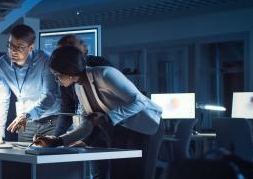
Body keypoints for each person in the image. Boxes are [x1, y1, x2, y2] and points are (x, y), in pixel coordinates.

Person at [34, 46, 165, 179]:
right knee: (118, 174)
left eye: (58, 75)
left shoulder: (106, 74)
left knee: (139, 174)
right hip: (122, 130)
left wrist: (108, 117)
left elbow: (140, 101)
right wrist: (57, 141)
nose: (57, 80)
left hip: (147, 126)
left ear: (70, 72)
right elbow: (86, 125)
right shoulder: (79, 87)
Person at [0, 24, 60, 144]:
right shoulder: (2, 64)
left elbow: (49, 96)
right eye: (10, 46)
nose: (13, 51)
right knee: (24, 158)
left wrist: (27, 115)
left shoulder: (45, 61)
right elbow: (2, 99)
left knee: (51, 160)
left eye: (19, 47)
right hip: (25, 123)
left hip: (51, 122)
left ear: (31, 48)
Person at [52, 34, 112, 179]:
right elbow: (67, 109)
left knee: (102, 174)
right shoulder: (65, 74)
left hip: (107, 130)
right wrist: (54, 139)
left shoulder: (100, 68)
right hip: (86, 128)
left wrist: (86, 140)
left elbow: (104, 113)